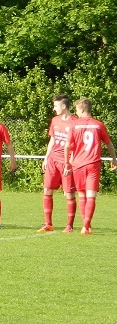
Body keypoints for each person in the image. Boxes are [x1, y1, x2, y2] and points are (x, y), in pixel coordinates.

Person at [63, 98, 117, 235]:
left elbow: (67, 146)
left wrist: (67, 163)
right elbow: (109, 144)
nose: (76, 112)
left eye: (76, 109)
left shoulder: (74, 125)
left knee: (82, 194)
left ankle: (86, 226)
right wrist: (114, 158)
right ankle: (86, 226)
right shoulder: (99, 125)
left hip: (78, 164)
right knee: (91, 194)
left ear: (81, 109)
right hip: (93, 164)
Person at [40, 94, 76, 233]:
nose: (54, 109)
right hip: (53, 161)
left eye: (56, 106)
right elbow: (52, 140)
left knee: (68, 194)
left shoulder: (75, 122)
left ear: (64, 106)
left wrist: (70, 163)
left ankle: (69, 225)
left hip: (66, 161)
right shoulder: (55, 120)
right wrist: (46, 158)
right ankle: (48, 223)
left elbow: (77, 145)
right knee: (47, 190)